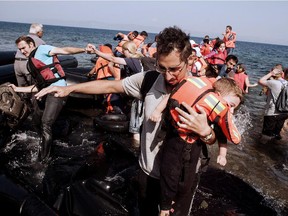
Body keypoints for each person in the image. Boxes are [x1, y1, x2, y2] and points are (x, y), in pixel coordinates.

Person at [35, 26, 217, 216]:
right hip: (148, 173)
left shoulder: (203, 93)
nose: (168, 76)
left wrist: (206, 131)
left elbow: (214, 140)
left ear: (190, 61)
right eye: (162, 68)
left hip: (181, 180)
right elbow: (112, 85)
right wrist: (69, 89)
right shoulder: (149, 80)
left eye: (174, 69)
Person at [158, 77, 242, 216]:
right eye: (231, 105)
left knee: (186, 183)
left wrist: (222, 155)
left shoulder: (217, 112)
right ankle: (165, 206)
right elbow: (170, 100)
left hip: (194, 149)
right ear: (218, 96)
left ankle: (174, 200)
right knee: (171, 174)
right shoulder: (203, 102)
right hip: (177, 142)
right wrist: (156, 112)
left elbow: (222, 137)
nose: (231, 111)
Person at [10, 35, 93, 162]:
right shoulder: (30, 62)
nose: (22, 51)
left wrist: (84, 50)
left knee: (46, 124)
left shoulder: (42, 49)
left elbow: (65, 50)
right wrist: (17, 89)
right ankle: (46, 141)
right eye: (20, 49)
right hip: (45, 91)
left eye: (24, 48)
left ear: (31, 45)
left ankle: (44, 160)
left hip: (58, 90)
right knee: (36, 121)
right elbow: (39, 86)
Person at [258, 66, 288, 140]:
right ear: (282, 74)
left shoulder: (273, 83)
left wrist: (271, 73)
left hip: (272, 113)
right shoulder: (287, 83)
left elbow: (260, 81)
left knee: (266, 135)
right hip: (284, 113)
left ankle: (261, 148)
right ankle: (273, 148)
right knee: (276, 133)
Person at [14, 23, 45, 87]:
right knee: (33, 87)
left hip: (17, 64)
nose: (43, 33)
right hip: (26, 64)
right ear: (38, 32)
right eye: (42, 32)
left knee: (21, 87)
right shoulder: (41, 42)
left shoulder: (23, 39)